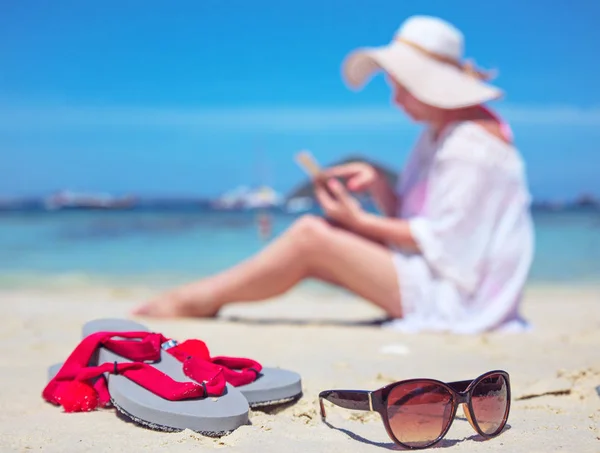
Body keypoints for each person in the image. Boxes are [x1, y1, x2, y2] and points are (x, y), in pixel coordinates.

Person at [133, 16, 534, 334]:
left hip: (461, 300)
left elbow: (447, 242)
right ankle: (202, 300)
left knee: (311, 237)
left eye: (402, 87)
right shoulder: (444, 134)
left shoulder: (468, 146)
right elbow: (426, 229)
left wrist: (359, 221)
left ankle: (195, 301)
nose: (395, 100)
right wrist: (379, 186)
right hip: (451, 283)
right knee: (318, 236)